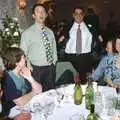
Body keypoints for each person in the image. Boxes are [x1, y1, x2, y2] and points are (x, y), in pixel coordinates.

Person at [20, 3, 58, 91]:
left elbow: (54, 48)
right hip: (36, 70)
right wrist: (29, 67)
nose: (41, 14)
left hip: (50, 68)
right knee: (36, 97)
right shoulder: (27, 33)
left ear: (46, 15)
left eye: (43, 12)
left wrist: (54, 61)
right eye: (38, 12)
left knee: (50, 93)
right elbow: (23, 53)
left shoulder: (50, 32)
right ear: (33, 15)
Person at [1, 47, 42, 118]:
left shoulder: (23, 71)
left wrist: (30, 78)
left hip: (25, 105)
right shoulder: (7, 78)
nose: (26, 59)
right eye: (23, 58)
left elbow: (39, 89)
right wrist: (33, 93)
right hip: (11, 112)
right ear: (16, 62)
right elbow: (19, 102)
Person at [65, 5, 92, 84]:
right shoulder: (68, 27)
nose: (78, 15)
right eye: (76, 13)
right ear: (73, 15)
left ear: (83, 15)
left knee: (84, 81)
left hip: (85, 57)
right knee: (72, 80)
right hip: (71, 57)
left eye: (80, 13)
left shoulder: (90, 27)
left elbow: (97, 37)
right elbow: (61, 39)